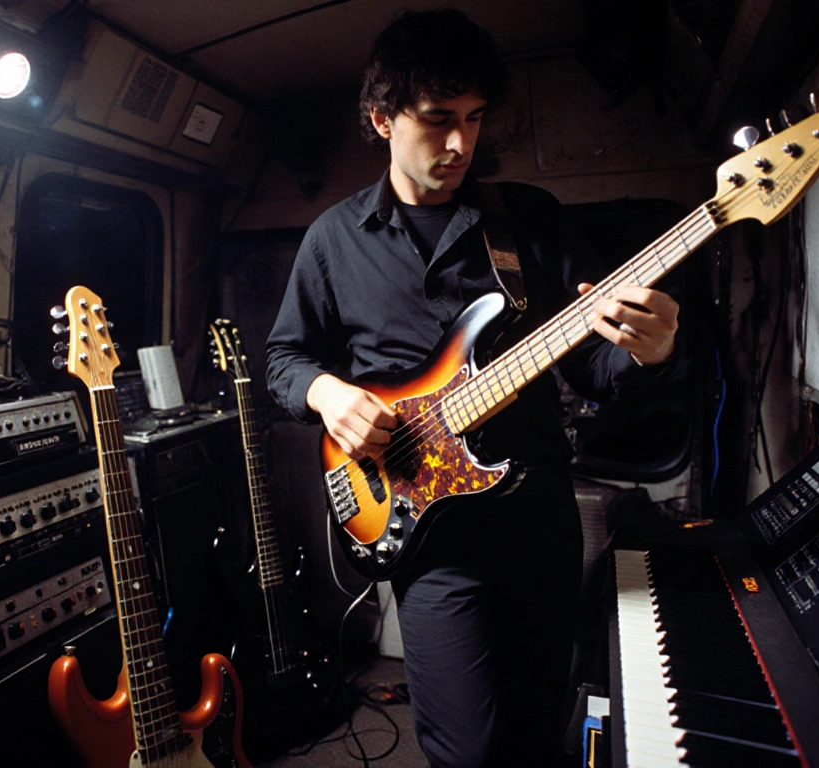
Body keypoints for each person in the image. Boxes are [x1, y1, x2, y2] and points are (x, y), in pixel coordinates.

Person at [263, 8, 681, 767]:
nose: (461, 144)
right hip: (428, 535)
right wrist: (329, 396)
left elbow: (592, 367)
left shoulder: (528, 221)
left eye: (475, 119)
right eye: (437, 121)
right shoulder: (333, 238)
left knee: (541, 724)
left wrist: (650, 354)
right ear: (381, 118)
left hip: (538, 522)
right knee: (469, 748)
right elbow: (283, 359)